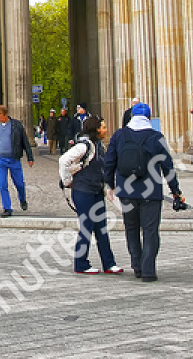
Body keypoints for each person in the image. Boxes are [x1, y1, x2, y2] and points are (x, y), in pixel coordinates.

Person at [102, 102, 184, 282]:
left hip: (126, 191)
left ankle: (137, 265)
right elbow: (167, 166)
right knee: (150, 231)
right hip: (151, 192)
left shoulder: (119, 135)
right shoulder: (156, 137)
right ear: (149, 117)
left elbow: (109, 162)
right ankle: (148, 270)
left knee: (131, 229)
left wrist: (110, 184)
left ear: (131, 116)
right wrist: (175, 190)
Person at [60, 117, 122, 275]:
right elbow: (63, 160)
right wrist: (67, 181)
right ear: (96, 129)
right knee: (86, 227)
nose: (106, 130)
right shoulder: (84, 146)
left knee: (101, 228)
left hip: (95, 190)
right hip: (83, 191)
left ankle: (109, 263)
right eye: (103, 127)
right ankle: (81, 263)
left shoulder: (99, 145)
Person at [0, 104, 35, 217]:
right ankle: (7, 208)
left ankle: (22, 199)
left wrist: (30, 157)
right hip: (0, 159)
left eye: (0, 115)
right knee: (2, 184)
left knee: (19, 183)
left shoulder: (16, 125)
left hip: (14, 159)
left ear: (6, 115)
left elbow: (25, 141)